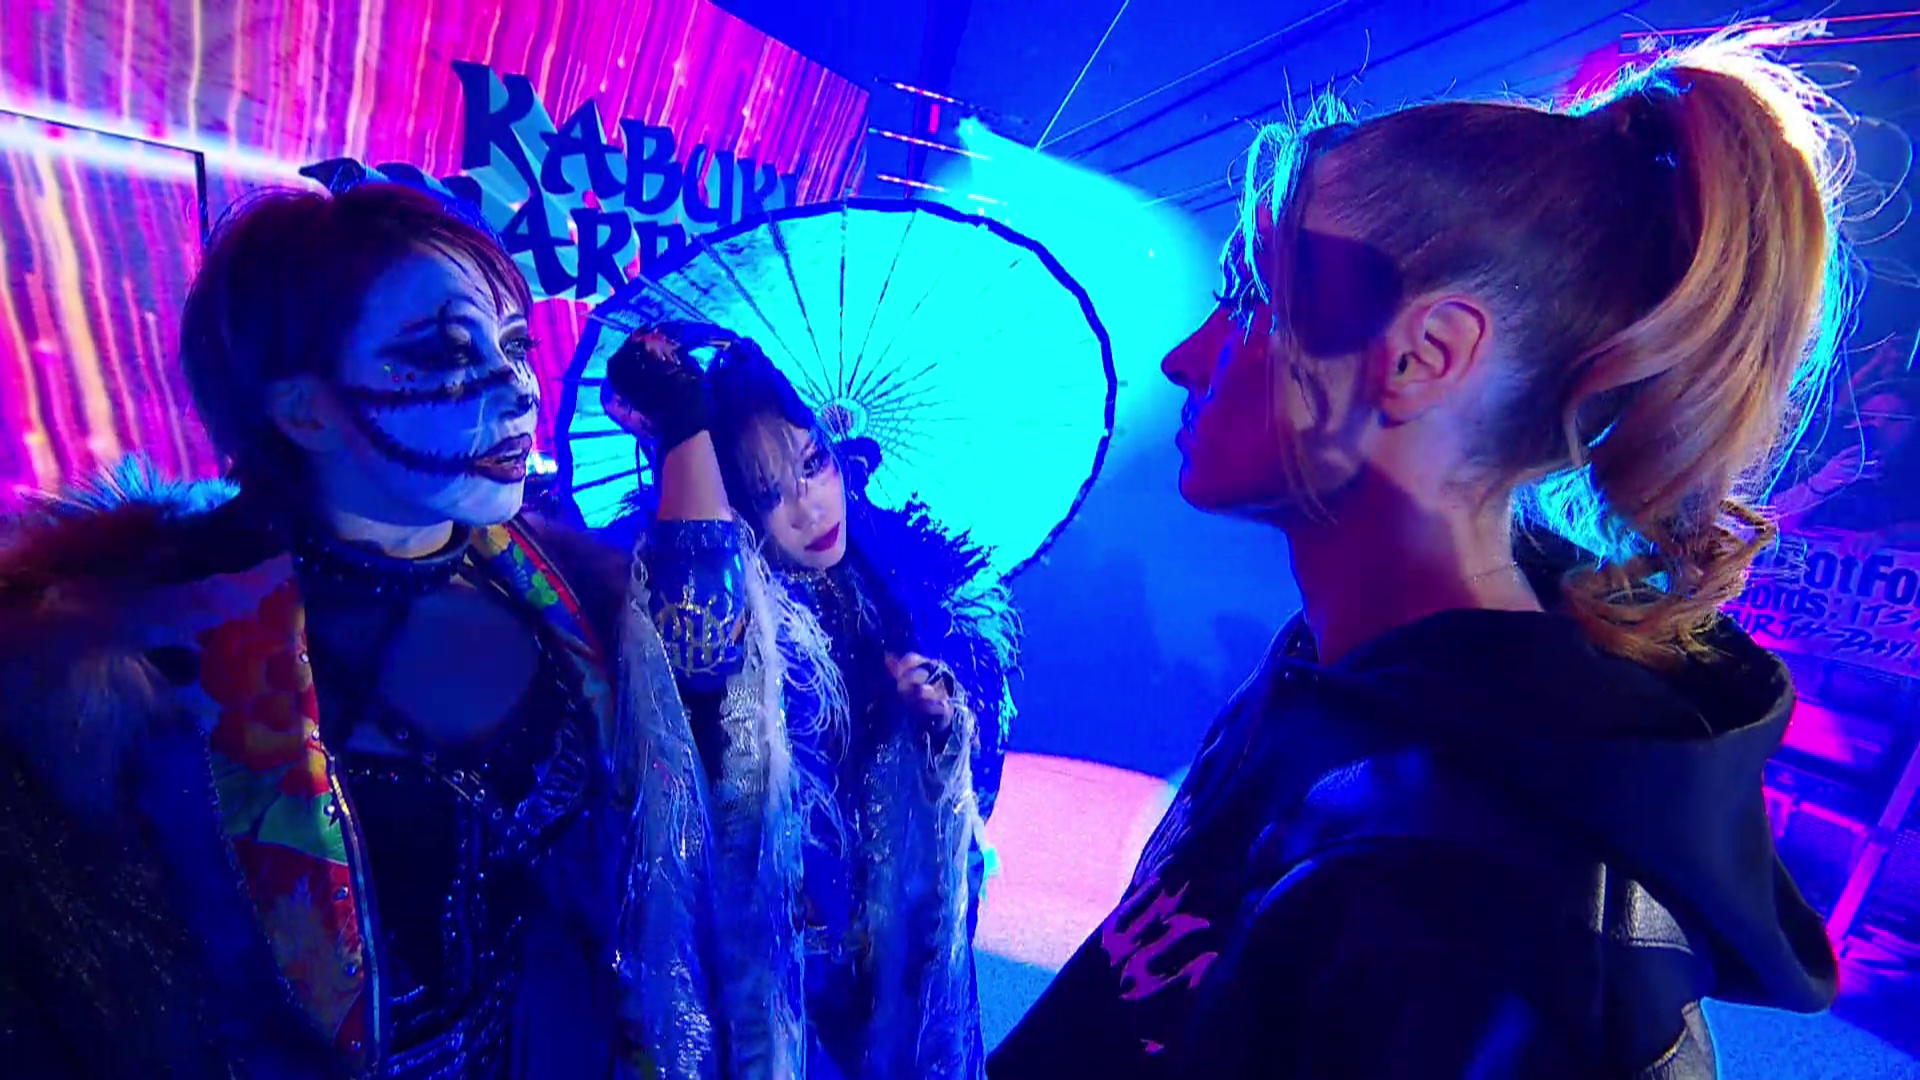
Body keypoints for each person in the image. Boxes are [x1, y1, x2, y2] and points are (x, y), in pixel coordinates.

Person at [989, 26, 1845, 1080]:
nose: (1185, 357)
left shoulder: (1501, 921)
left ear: (1424, 357)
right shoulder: (1333, 675)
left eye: (1251, 296)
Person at [0, 183, 720, 1079]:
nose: (516, 389)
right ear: (301, 410)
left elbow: (713, 713)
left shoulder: (563, 590)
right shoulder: (127, 666)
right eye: (444, 352)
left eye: (513, 344)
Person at [599, 321, 1014, 1079]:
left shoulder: (893, 587)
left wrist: (938, 727)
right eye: (768, 493)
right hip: (784, 973)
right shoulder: (734, 624)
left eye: (813, 464)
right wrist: (683, 424)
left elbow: (964, 807)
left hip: (891, 962)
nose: (809, 507)